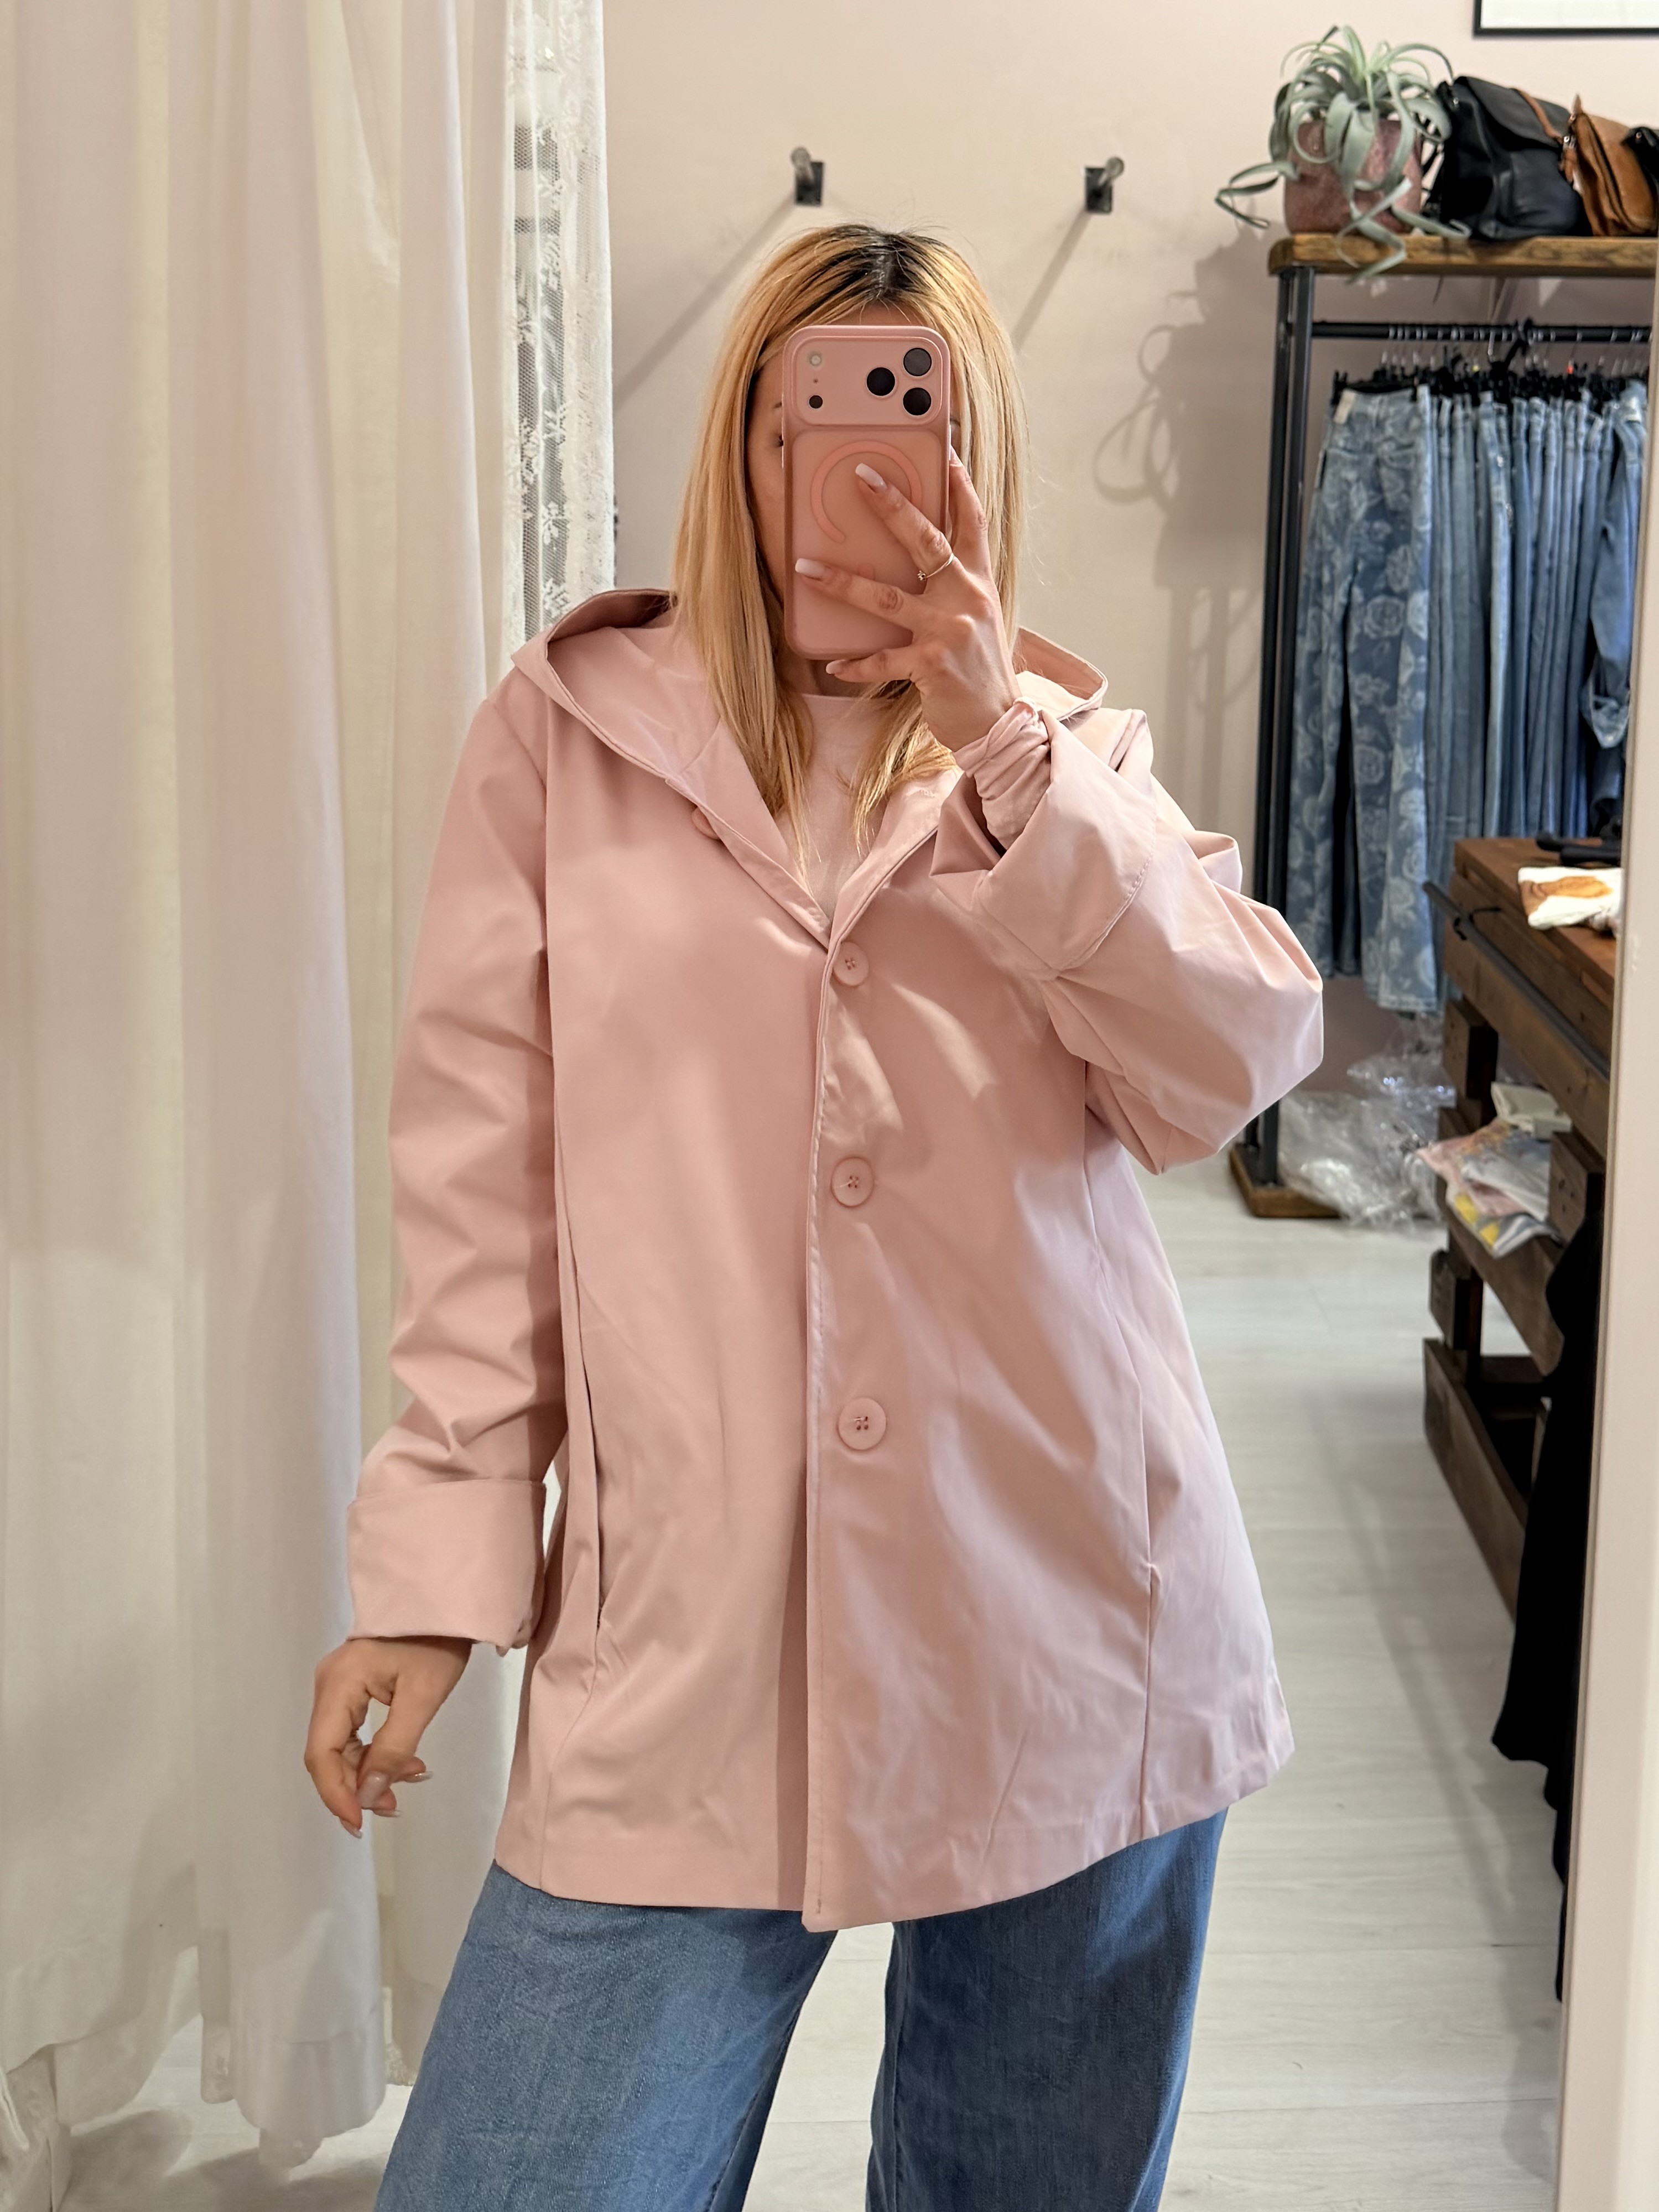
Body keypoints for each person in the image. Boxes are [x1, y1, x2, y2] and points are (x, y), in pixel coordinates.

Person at [305, 222, 1324, 2211]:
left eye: (904, 417)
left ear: (971, 454)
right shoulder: (570, 737)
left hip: (1071, 1619)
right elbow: (481, 1186)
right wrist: (431, 1576)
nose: (853, 468)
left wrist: (1003, 742)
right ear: (744, 444)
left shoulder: (1067, 762)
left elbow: (1229, 1065)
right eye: (811, 417)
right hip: (687, 1640)